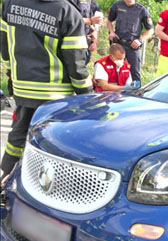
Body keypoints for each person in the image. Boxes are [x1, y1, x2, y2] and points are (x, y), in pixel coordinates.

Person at [0, 0, 93, 184]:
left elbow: (5, 45)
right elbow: (75, 62)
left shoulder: (11, 3)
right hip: (54, 96)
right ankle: (39, 185)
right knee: (52, 142)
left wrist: (12, 75)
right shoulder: (67, 12)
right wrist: (86, 94)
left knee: (17, 136)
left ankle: (5, 176)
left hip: (23, 88)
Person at [107, 0, 154, 82]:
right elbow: (109, 20)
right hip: (118, 44)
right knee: (114, 71)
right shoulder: (117, 5)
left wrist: (141, 40)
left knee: (135, 73)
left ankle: (136, 92)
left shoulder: (141, 10)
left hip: (132, 46)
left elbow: (150, 30)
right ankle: (115, 92)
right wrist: (111, 32)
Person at [76, 0, 104, 64]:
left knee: (85, 62)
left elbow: (97, 25)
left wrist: (95, 41)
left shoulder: (94, 4)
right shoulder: (72, 2)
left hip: (86, 41)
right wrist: (90, 21)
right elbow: (69, 18)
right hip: (73, 40)